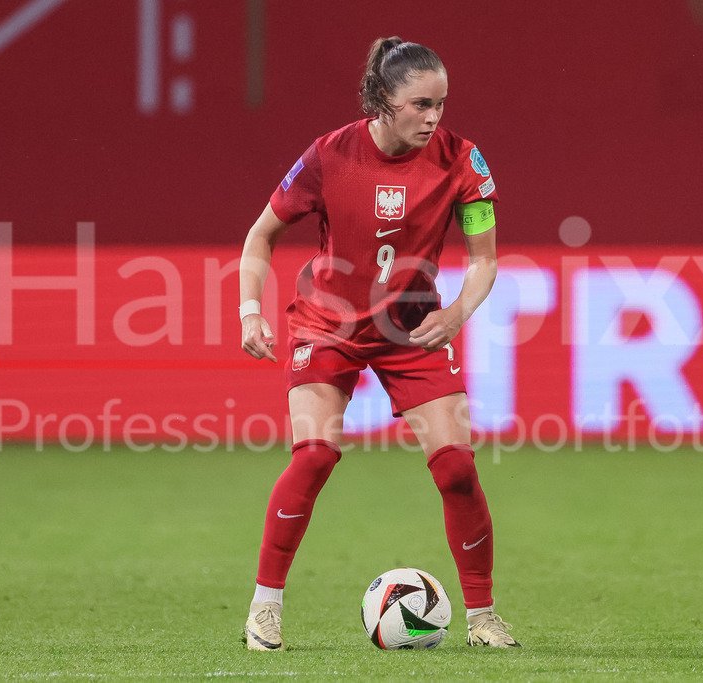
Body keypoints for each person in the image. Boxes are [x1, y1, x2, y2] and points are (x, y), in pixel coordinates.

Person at [238, 36, 519, 650]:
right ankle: (265, 607)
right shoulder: (329, 155)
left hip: (412, 328)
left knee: (459, 470)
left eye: (441, 104)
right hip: (326, 323)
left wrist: (458, 314)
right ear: (383, 101)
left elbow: (484, 261)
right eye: (421, 105)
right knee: (313, 456)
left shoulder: (463, 161)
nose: (434, 117)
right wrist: (249, 312)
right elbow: (260, 237)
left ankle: (482, 616)